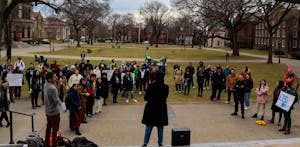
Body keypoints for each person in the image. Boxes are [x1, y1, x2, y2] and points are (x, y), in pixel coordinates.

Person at [142, 71, 169, 147]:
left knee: (149, 127)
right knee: (160, 127)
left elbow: (145, 98)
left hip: (151, 109)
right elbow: (165, 97)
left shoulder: (150, 86)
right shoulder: (166, 87)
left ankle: (145, 143)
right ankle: (160, 143)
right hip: (161, 109)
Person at [44, 72, 62, 147]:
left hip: (48, 111)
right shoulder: (52, 88)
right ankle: (55, 144)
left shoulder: (45, 84)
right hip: (54, 113)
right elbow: (57, 100)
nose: (56, 78)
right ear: (49, 79)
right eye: (54, 77)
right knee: (55, 130)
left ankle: (47, 143)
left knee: (48, 128)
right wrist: (64, 107)